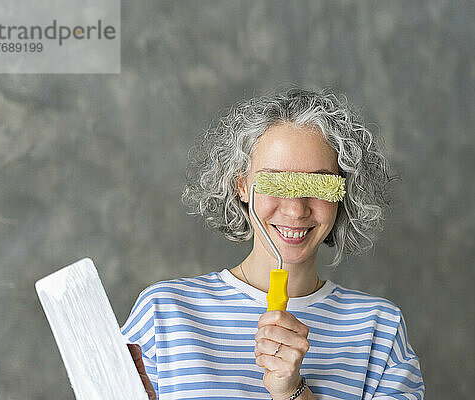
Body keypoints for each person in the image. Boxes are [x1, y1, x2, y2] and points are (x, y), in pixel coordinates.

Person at [122, 86, 425, 400]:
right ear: (241, 186)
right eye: (273, 182)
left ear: (342, 193)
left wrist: (292, 392)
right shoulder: (162, 313)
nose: (295, 209)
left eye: (319, 183)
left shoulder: (379, 330)